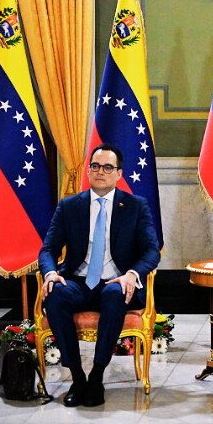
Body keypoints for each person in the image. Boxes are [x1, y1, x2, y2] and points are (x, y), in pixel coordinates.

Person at [38, 143, 160, 407]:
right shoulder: (70, 206)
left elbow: (152, 251)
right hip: (78, 282)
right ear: (88, 171)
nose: (100, 172)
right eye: (95, 166)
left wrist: (132, 274)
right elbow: (48, 249)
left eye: (107, 167)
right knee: (55, 295)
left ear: (119, 173)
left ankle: (96, 376)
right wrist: (49, 273)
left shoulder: (135, 206)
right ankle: (77, 377)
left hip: (117, 281)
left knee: (116, 294)